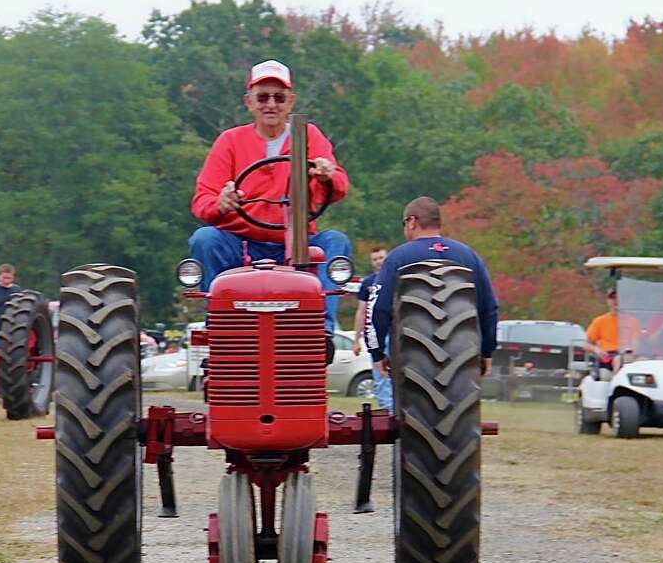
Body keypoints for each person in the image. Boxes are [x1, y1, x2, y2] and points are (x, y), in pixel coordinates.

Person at [189, 59, 351, 330]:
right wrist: (222, 203)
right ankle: (220, 322)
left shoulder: (308, 136)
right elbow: (202, 202)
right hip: (241, 244)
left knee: (335, 242)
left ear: (291, 101)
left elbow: (340, 185)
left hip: (295, 244)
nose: (271, 104)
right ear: (249, 102)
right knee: (204, 239)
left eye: (279, 97)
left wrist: (327, 175)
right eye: (262, 97)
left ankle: (321, 328)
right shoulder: (230, 141)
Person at [365, 197, 499, 378]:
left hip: (412, 357)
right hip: (462, 354)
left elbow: (378, 308)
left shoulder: (398, 258)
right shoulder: (468, 256)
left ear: (412, 222)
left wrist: (377, 352)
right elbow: (489, 308)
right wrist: (487, 351)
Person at [352, 246, 393, 410]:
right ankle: (388, 411)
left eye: (381, 258)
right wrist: (356, 340)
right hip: (376, 334)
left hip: (396, 332)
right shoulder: (368, 283)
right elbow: (361, 312)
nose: (378, 262)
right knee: (381, 374)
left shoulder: (396, 279)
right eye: (375, 259)